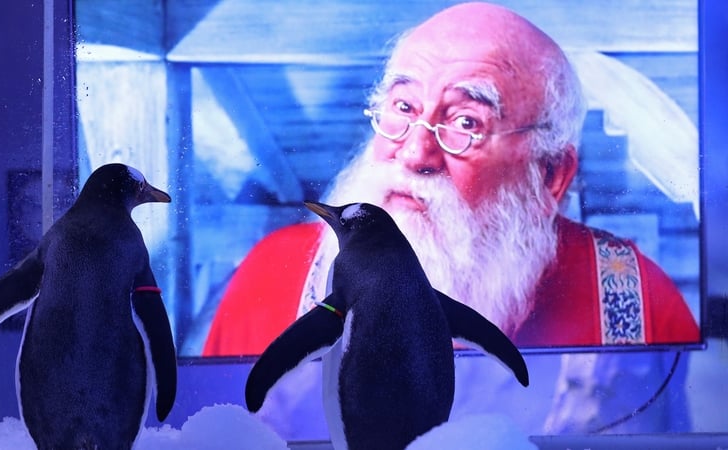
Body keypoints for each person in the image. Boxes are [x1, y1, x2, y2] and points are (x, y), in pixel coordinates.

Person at [202, 2, 699, 357]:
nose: (416, 153)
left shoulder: (631, 301)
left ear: (550, 175)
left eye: (466, 122)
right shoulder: (274, 276)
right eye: (403, 108)